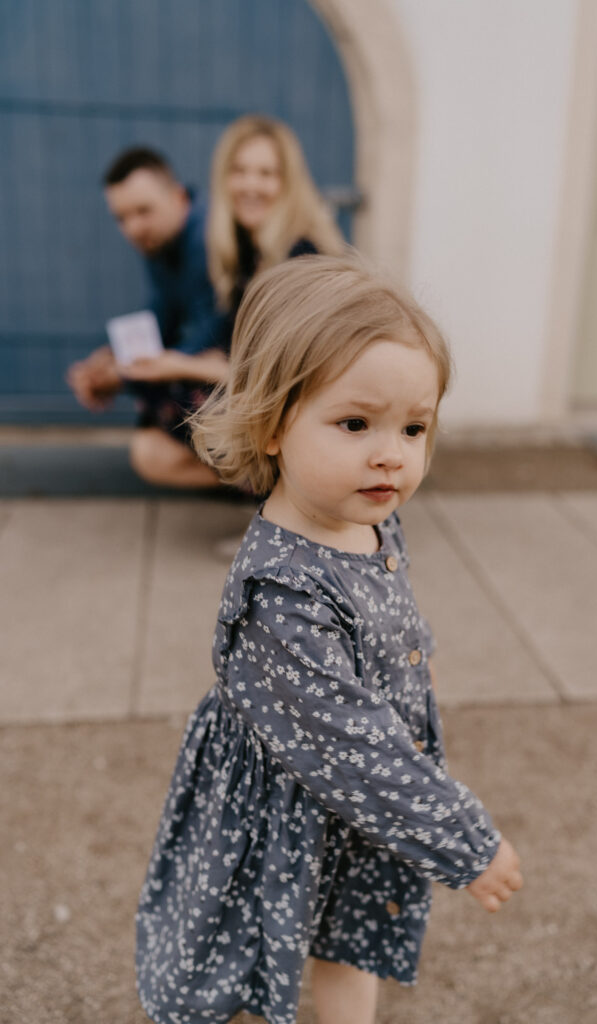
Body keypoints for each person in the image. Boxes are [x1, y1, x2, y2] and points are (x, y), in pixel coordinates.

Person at [135, 256, 523, 1024]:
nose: (391, 453)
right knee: (235, 954)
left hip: (357, 803)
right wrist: (465, 841)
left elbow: (393, 603)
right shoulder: (280, 593)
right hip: (278, 805)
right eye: (356, 423)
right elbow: (351, 743)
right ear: (274, 422)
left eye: (414, 427)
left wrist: (421, 661)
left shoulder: (367, 515)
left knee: (347, 938)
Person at [114, 117, 344, 487]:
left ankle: (286, 498)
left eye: (266, 173)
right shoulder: (246, 251)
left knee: (186, 394)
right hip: (262, 398)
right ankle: (272, 498)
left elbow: (290, 379)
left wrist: (190, 366)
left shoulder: (300, 257)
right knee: (156, 393)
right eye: (239, 171)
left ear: (288, 184)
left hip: (304, 407)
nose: (250, 185)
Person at [66, 146, 227, 488]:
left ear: (179, 197)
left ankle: (275, 494)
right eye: (122, 217)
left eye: (143, 211)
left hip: (255, 380)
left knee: (174, 403)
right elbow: (160, 319)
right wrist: (111, 357)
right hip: (224, 370)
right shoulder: (161, 240)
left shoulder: (209, 240)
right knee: (150, 451)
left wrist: (121, 375)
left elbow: (206, 338)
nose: (133, 228)